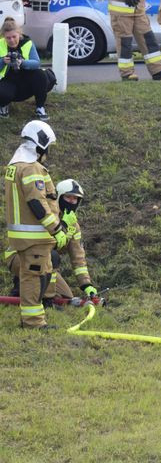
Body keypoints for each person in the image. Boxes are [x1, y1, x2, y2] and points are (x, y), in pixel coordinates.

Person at [3, 120, 73, 329]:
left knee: (42, 273)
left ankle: (40, 312)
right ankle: (33, 323)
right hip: (33, 237)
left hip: (24, 236)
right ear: (39, 144)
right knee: (33, 278)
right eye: (47, 147)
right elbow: (37, 203)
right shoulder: (31, 168)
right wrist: (57, 228)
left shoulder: (15, 166)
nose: (48, 152)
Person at [5, 179, 98, 304]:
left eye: (75, 199)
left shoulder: (73, 226)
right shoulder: (45, 215)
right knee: (52, 261)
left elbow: (78, 258)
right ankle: (38, 297)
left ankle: (26, 290)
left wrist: (86, 284)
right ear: (58, 197)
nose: (71, 201)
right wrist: (63, 224)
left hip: (47, 264)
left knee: (66, 297)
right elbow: (46, 245)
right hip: (20, 257)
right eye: (68, 197)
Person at [0, 18, 55, 121]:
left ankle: (40, 107)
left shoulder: (27, 42)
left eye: (14, 36)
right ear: (4, 37)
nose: (11, 40)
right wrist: (3, 61)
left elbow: (37, 63)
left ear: (19, 34)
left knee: (40, 75)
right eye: (8, 38)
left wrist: (22, 62)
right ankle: (3, 105)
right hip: (7, 81)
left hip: (25, 80)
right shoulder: (0, 44)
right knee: (4, 93)